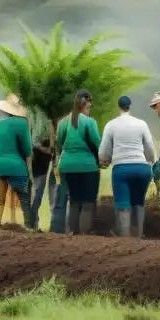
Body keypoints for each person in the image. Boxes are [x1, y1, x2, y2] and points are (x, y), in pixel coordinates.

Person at [99, 95, 156, 237]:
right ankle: (138, 236)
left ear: (119, 107)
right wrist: (151, 160)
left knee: (123, 203)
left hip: (122, 170)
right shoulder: (141, 124)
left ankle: (125, 239)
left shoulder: (111, 125)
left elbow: (104, 151)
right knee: (138, 202)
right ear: (130, 106)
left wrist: (105, 160)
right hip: (142, 169)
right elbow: (149, 146)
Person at [56, 89, 101, 234]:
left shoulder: (63, 123)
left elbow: (60, 143)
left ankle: (72, 234)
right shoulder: (90, 122)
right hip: (88, 167)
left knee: (74, 201)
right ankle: (85, 234)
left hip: (68, 166)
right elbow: (98, 144)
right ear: (84, 105)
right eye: (88, 107)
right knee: (87, 203)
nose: (89, 110)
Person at [0, 94, 34, 228]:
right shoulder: (22, 123)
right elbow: (28, 149)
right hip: (17, 167)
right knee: (24, 200)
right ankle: (29, 228)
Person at [29, 111, 56, 231]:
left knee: (35, 192)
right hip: (39, 159)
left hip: (37, 159)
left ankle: (32, 222)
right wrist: (46, 149)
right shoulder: (42, 114)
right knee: (37, 192)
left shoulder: (34, 112)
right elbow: (35, 140)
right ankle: (32, 222)